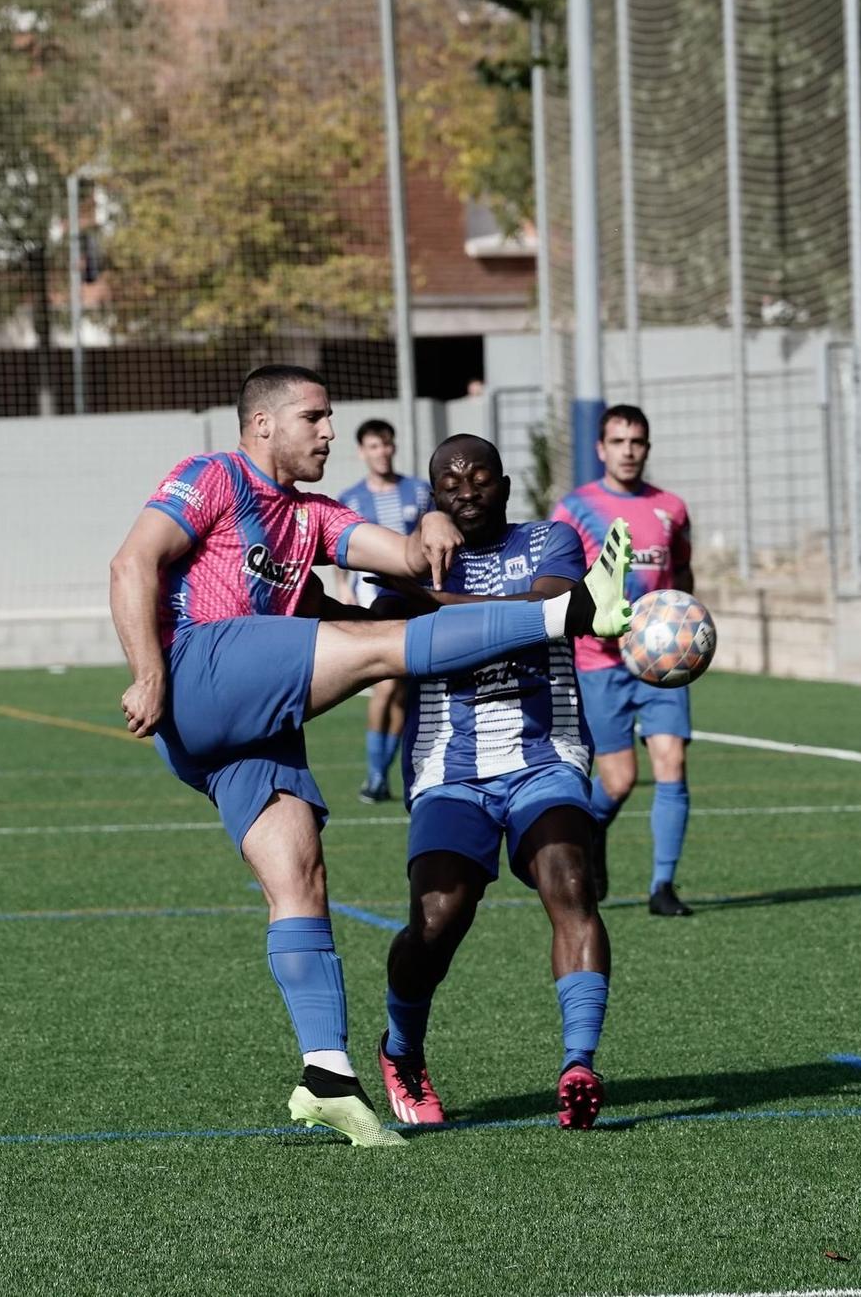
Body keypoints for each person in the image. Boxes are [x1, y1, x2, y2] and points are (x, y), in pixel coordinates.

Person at [108, 365, 636, 1148]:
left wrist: (426, 526)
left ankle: (327, 1073)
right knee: (381, 645)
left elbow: (404, 558)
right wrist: (148, 670)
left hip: (250, 731)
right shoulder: (211, 475)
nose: (330, 432)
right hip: (200, 667)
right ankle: (576, 611)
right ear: (263, 426)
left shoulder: (317, 517)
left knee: (300, 875)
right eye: (315, 417)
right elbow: (131, 563)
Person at [368, 435, 613, 1131]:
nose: (466, 490)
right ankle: (402, 1049)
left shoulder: (550, 538)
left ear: (505, 485)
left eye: (479, 478)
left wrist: (439, 602)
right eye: (449, 482)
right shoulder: (407, 560)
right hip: (450, 767)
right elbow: (388, 616)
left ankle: (579, 1063)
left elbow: (558, 604)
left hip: (547, 755)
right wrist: (426, 579)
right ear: (433, 494)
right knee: (438, 917)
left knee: (570, 881)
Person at [552, 404, 696, 916]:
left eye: (636, 442)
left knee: (672, 764)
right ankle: (591, 834)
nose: (628, 451)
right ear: (601, 449)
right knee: (618, 780)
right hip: (599, 661)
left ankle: (663, 887)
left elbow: (682, 575)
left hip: (662, 662)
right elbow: (555, 583)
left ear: (647, 448)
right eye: (618, 441)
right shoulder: (574, 510)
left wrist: (685, 629)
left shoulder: (671, 508)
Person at [335, 419, 431, 804]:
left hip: (417, 599)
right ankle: (376, 776)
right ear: (362, 451)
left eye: (386, 445)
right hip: (376, 597)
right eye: (374, 446)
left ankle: (385, 777)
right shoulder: (351, 499)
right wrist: (344, 592)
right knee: (387, 683)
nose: (382, 452)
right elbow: (339, 553)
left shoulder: (419, 492)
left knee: (405, 691)